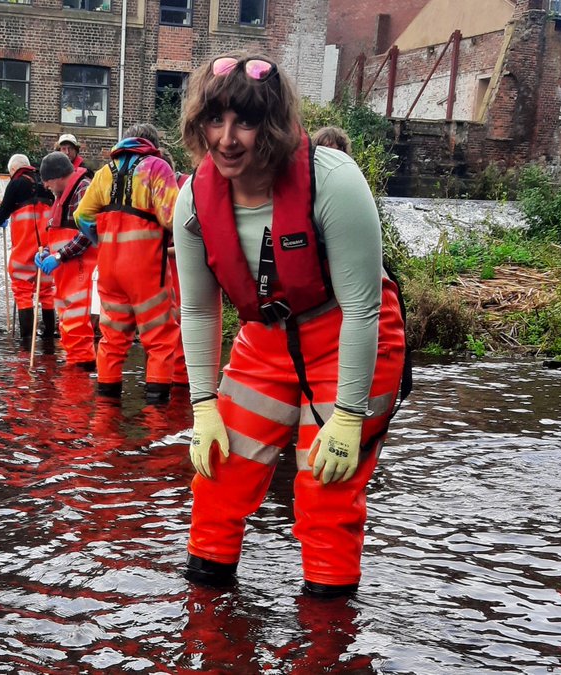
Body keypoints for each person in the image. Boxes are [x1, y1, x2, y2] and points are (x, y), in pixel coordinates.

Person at [173, 53, 406, 596]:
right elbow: (199, 309)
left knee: (326, 493)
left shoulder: (333, 180)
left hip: (347, 334)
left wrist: (348, 416)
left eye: (246, 122)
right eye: (215, 120)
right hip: (264, 342)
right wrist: (204, 406)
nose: (227, 139)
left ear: (272, 125)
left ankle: (326, 643)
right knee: (217, 477)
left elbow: (364, 307)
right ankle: (207, 632)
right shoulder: (192, 201)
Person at [74, 122, 181, 404]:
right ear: (153, 146)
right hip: (146, 269)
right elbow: (173, 218)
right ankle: (156, 421)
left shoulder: (103, 173)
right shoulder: (158, 169)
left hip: (109, 269)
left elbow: (81, 217)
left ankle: (105, 419)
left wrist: (105, 239)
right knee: (159, 340)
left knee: (111, 339)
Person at [0, 154, 56, 353]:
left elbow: (3, 212)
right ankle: (48, 338)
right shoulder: (45, 181)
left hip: (25, 246)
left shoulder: (16, 183)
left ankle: (26, 340)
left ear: (14, 170)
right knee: (46, 292)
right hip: (47, 248)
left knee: (22, 292)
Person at [35, 151, 98, 370]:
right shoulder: (62, 195)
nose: (45, 186)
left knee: (78, 327)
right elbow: (56, 231)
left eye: (47, 181)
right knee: (68, 326)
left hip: (79, 272)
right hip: (65, 275)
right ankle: (73, 381)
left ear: (59, 177)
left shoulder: (84, 190)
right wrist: (45, 252)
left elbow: (87, 233)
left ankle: (80, 383)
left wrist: (60, 255)